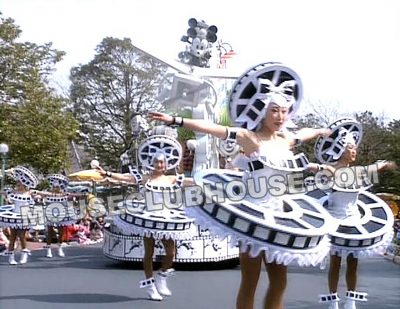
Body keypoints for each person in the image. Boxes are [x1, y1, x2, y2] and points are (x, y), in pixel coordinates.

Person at [149, 64, 334, 309]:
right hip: (253, 217)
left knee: (279, 282)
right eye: (274, 111)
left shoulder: (287, 140)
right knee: (250, 281)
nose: (280, 117)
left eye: (284, 111)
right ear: (263, 111)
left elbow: (306, 133)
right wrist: (176, 120)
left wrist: (322, 131)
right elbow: (214, 129)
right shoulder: (250, 138)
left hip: (281, 218)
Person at [97, 133, 195, 301]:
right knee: (148, 252)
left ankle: (162, 277)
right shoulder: (145, 178)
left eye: (162, 162)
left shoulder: (172, 179)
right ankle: (150, 286)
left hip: (167, 218)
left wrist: (217, 177)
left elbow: (193, 181)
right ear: (152, 163)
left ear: (166, 164)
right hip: (148, 217)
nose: (159, 164)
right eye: (157, 161)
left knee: (171, 253)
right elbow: (127, 178)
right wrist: (107, 173)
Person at [313, 118, 397, 309]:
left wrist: (385, 165)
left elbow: (372, 168)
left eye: (355, 150)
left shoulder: (358, 171)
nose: (354, 153)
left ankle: (350, 299)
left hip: (354, 219)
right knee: (335, 261)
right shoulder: (330, 170)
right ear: (342, 150)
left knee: (353, 260)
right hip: (335, 218)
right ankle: (333, 300)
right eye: (352, 149)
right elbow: (317, 182)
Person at [0, 166, 41, 265]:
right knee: (13, 236)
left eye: (21, 183)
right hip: (14, 216)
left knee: (22, 236)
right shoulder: (14, 192)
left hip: (24, 216)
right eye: (18, 183)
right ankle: (11, 257)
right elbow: (2, 192)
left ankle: (24, 254)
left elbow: (43, 193)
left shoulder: (30, 192)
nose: (19, 184)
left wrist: (56, 195)